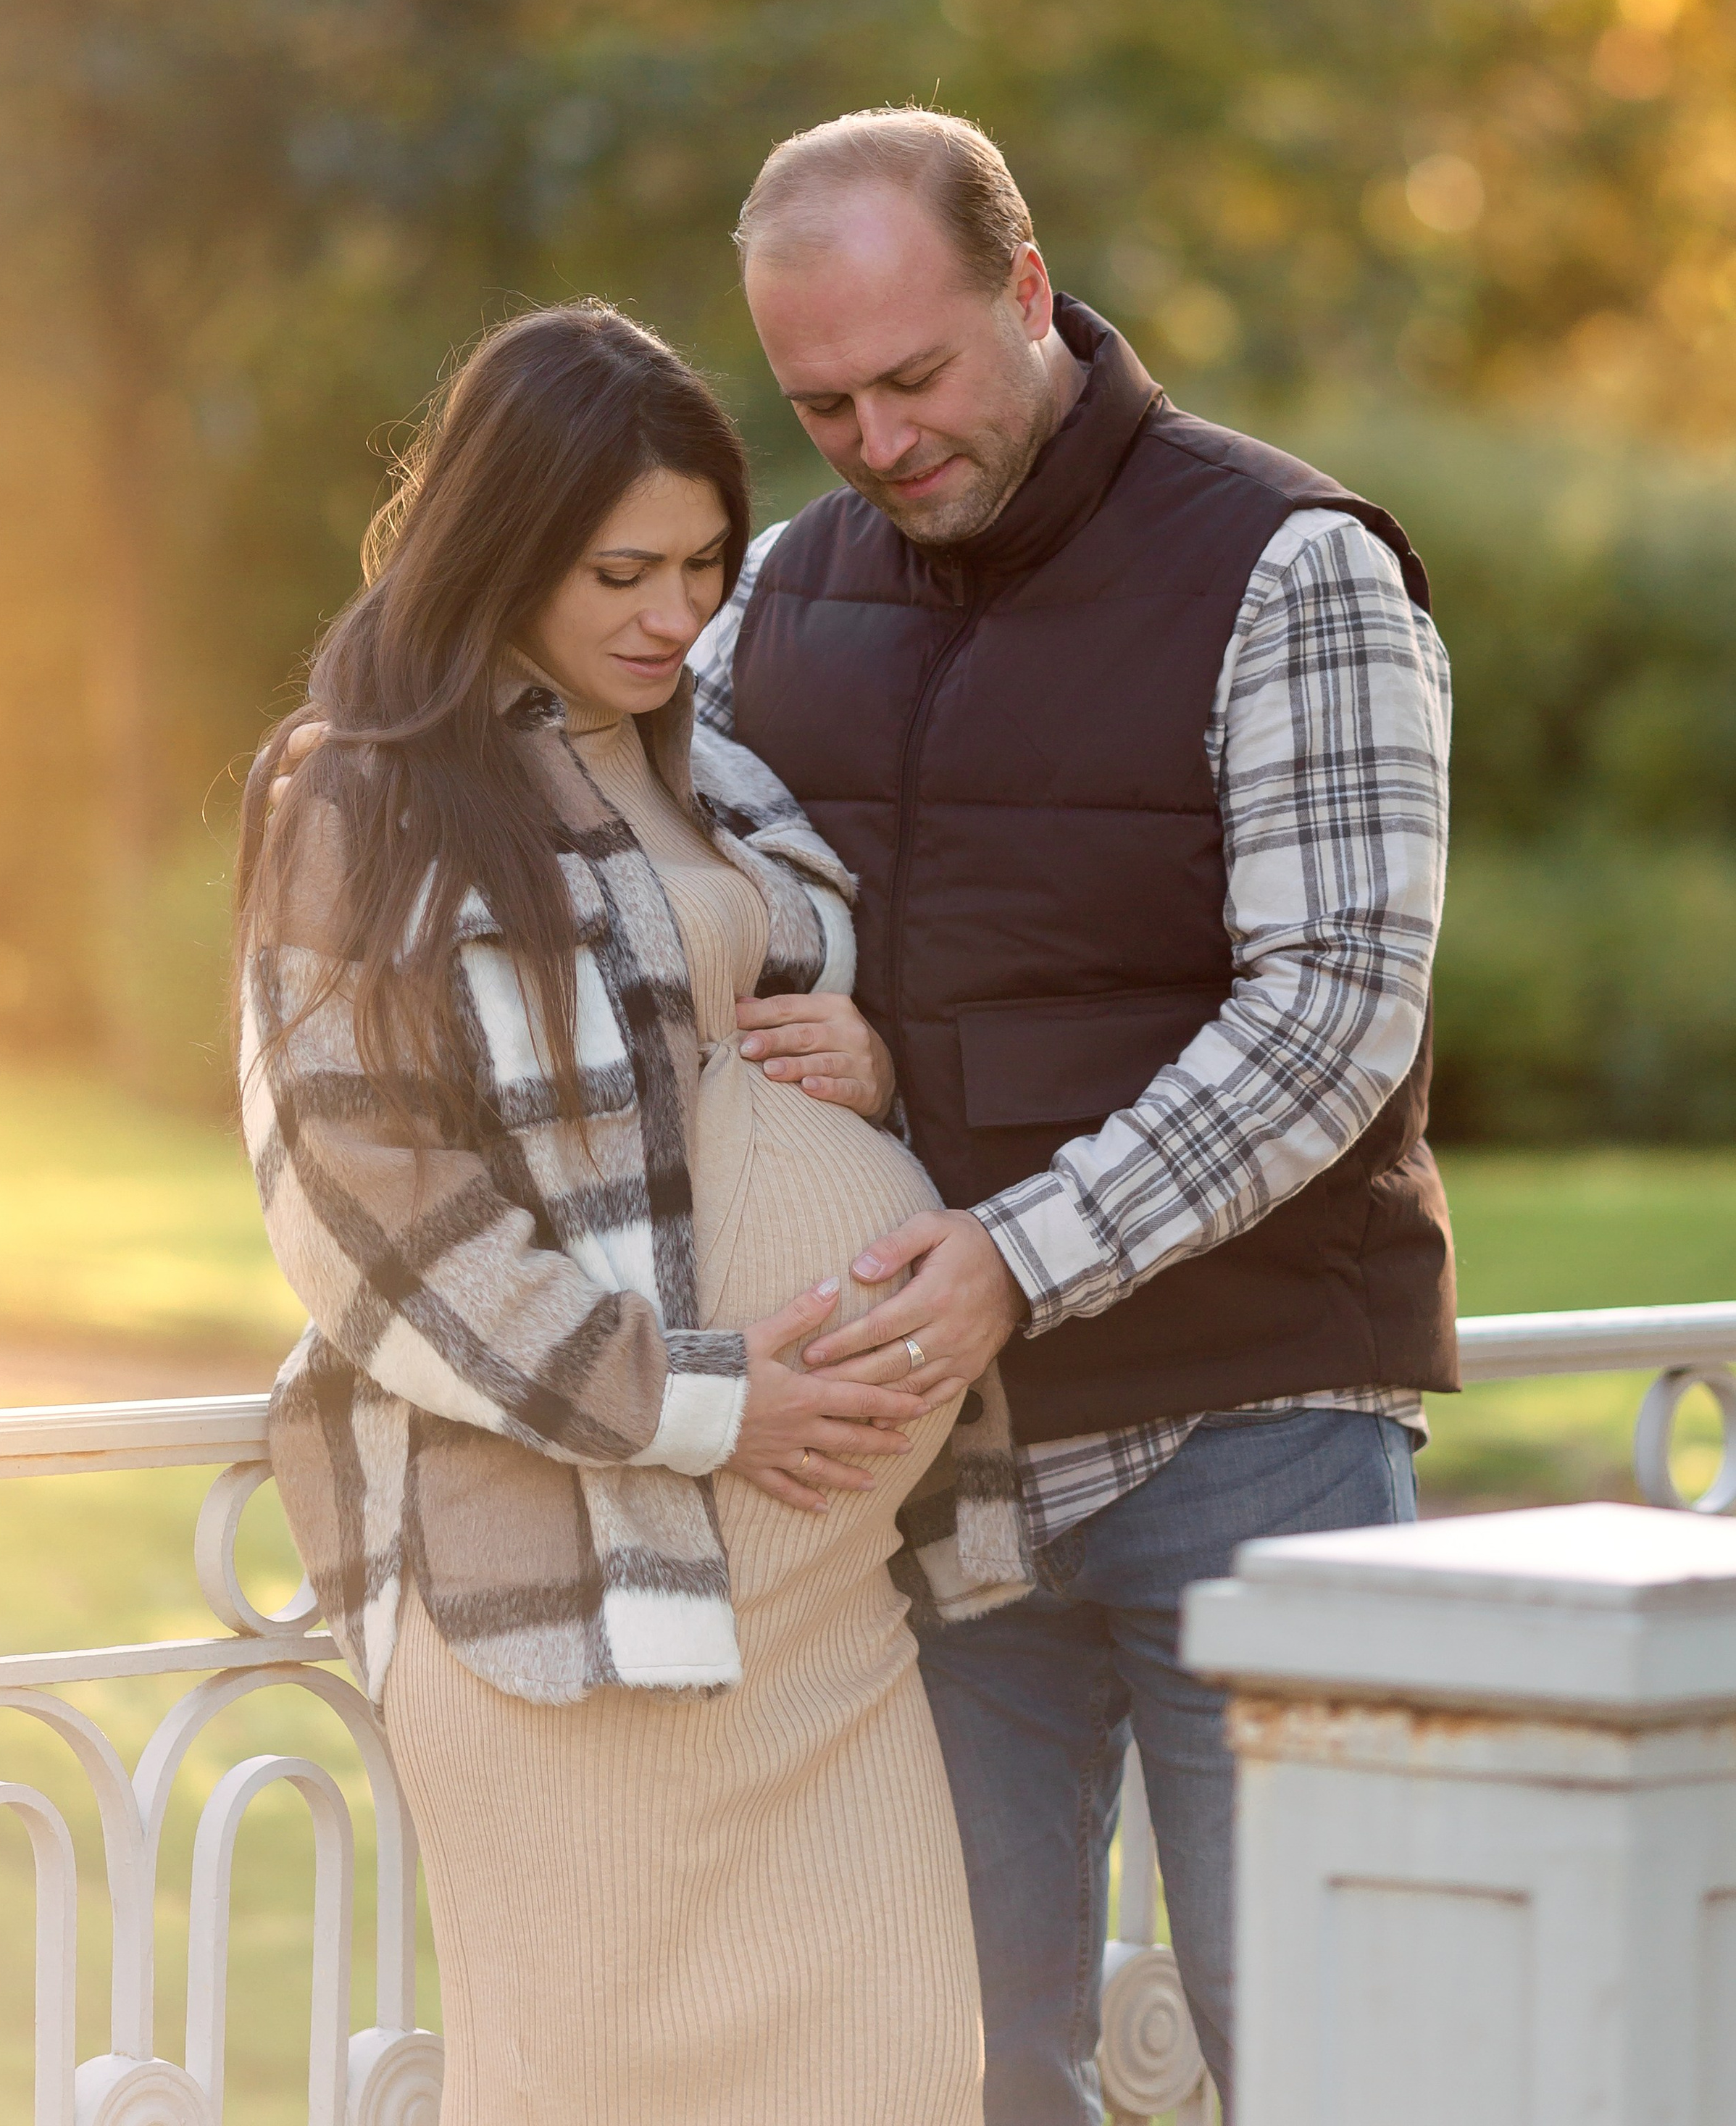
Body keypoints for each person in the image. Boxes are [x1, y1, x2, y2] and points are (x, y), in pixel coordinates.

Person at [689, 106, 1456, 2125]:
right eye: (822, 399)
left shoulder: (1294, 569)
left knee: (1329, 2061)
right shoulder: (772, 598)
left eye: (915, 376)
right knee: (947, 2075)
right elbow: (657, 891)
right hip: (930, 1485)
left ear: (1027, 293)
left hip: (1255, 1441)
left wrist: (1014, 1254)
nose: (874, 439)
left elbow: (1335, 1019)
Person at [233, 301, 1030, 2126]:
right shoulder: (365, 797)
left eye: (702, 566)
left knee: (908, 2074)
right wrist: (704, 1395)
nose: (675, 615)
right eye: (619, 572)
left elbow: (714, 1081)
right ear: (499, 547)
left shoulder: (711, 766)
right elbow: (360, 1211)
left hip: (825, 1610)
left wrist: (874, 1064)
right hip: (578, 1604)